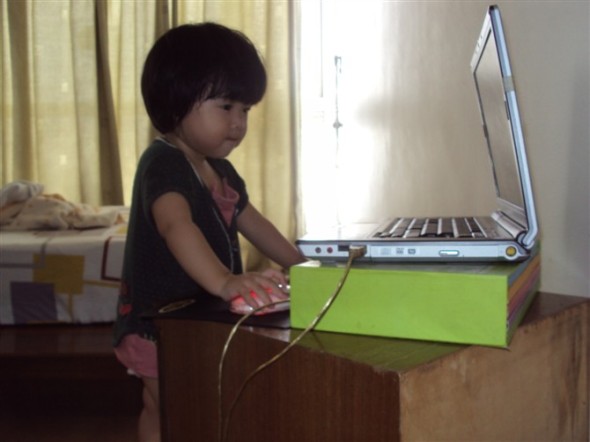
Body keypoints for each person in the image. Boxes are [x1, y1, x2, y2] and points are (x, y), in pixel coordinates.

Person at [113, 22, 306, 442]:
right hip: (156, 324)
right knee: (165, 405)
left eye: (246, 110)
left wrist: (303, 264)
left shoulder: (219, 169)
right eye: (226, 106)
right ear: (177, 100)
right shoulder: (163, 163)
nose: (238, 123)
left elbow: (254, 222)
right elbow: (175, 225)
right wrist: (224, 280)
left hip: (192, 321)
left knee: (192, 403)